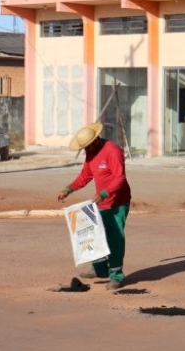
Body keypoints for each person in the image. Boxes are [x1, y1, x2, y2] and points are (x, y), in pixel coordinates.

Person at [57, 123, 132, 290]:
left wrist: (104, 193)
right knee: (93, 235)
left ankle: (116, 275)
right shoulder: (90, 153)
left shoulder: (112, 150)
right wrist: (68, 189)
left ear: (96, 140)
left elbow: (120, 178)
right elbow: (85, 175)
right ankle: (99, 268)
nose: (86, 150)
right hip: (101, 202)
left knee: (115, 238)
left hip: (117, 202)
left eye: (87, 146)